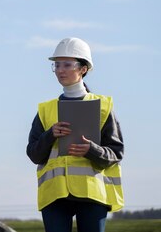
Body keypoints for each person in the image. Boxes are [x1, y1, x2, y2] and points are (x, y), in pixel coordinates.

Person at [26, 37, 124, 232]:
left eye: (67, 64)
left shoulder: (103, 107)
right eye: (57, 65)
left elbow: (115, 154)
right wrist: (50, 135)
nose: (60, 70)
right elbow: (33, 154)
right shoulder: (46, 110)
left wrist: (91, 150)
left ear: (83, 69)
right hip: (55, 195)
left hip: (92, 194)